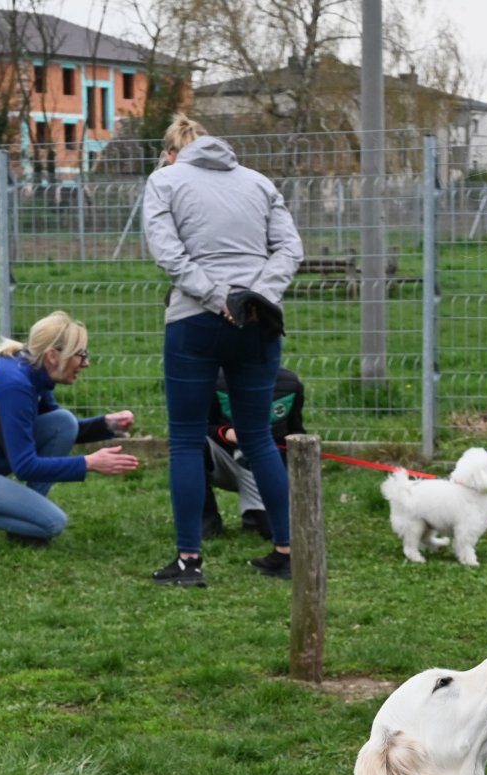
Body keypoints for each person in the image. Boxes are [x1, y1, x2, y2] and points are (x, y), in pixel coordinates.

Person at [142, 112, 303, 586]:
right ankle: (287, 550)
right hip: (258, 322)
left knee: (187, 440)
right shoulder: (258, 182)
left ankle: (189, 562)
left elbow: (168, 253)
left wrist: (217, 297)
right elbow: (290, 250)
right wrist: (256, 296)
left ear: (174, 151)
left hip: (194, 319)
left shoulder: (164, 181)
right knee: (257, 436)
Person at [0, 311, 138, 547]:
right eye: (80, 354)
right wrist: (88, 463)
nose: (86, 363)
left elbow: (61, 430)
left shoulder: (28, 369)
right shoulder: (15, 386)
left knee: (63, 422)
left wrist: (107, 425)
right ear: (53, 356)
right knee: (52, 523)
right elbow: (25, 466)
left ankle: (25, 521)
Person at [202, 366, 305, 540]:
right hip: (227, 460)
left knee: (268, 532)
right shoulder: (216, 381)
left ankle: (258, 515)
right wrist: (226, 433)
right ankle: (206, 524)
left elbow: (296, 430)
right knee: (192, 446)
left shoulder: (290, 384)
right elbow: (202, 426)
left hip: (267, 465)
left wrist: (292, 444)